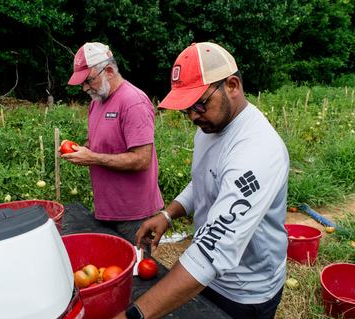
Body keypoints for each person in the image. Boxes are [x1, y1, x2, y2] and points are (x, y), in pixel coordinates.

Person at [114, 42, 289, 319]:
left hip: (244, 291)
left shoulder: (257, 151)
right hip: (206, 278)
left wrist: (133, 316)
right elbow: (204, 180)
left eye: (199, 104)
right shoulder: (210, 128)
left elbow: (212, 249)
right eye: (186, 109)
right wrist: (168, 214)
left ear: (232, 85)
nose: (193, 116)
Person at [63, 42, 164, 245]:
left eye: (88, 81)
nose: (84, 88)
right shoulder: (97, 101)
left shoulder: (133, 102)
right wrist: (80, 149)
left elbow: (142, 160)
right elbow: (101, 144)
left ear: (108, 70)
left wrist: (92, 158)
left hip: (134, 214)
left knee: (135, 271)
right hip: (106, 208)